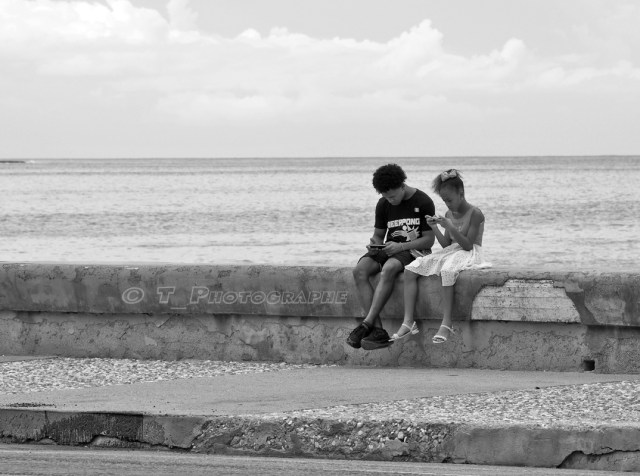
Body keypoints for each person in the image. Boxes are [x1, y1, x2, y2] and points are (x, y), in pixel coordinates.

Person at [390, 168, 487, 344]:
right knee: (411, 269)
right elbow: (446, 246)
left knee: (447, 271)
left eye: (449, 200)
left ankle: (447, 323)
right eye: (444, 201)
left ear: (461, 193)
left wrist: (450, 226)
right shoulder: (449, 215)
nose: (447, 204)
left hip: (470, 252)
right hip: (453, 251)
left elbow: (467, 245)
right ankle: (408, 321)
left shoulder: (475, 213)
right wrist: (434, 227)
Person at [347, 163, 435, 350]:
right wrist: (374, 245)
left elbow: (429, 240)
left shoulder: (423, 201)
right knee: (360, 271)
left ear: (402, 186)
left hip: (413, 250)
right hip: (389, 248)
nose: (390, 200)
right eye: (385, 197)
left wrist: (401, 246)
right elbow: (379, 235)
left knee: (389, 269)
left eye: (393, 196)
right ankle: (378, 330)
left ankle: (367, 323)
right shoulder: (383, 204)